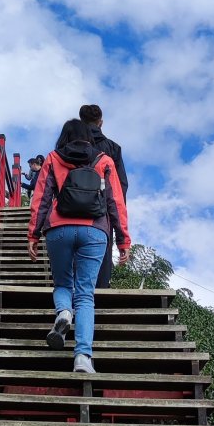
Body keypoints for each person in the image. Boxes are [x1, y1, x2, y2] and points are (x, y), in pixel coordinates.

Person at [28, 119, 130, 373]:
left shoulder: (53, 158)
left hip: (59, 229)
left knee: (63, 284)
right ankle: (82, 356)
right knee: (85, 295)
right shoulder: (104, 160)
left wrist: (33, 235)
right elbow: (115, 202)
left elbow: (41, 198)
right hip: (95, 231)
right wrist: (123, 240)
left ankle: (63, 312)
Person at [79, 104, 128, 289]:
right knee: (101, 260)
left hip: (69, 210)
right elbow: (121, 186)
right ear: (101, 122)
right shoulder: (113, 148)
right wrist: (119, 224)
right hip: (102, 212)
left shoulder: (69, 146)